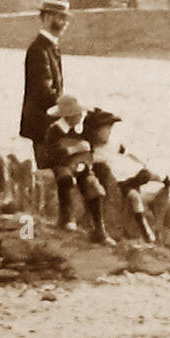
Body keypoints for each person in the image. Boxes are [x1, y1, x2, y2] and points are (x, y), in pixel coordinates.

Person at [82, 107, 170, 240]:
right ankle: (143, 226)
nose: (109, 133)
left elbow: (130, 153)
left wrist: (142, 161)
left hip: (124, 175)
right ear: (95, 131)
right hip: (115, 181)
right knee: (134, 196)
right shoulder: (91, 149)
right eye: (106, 130)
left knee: (142, 179)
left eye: (110, 129)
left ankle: (163, 180)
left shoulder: (113, 144)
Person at [42, 94, 110, 244]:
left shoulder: (82, 129)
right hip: (63, 165)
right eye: (78, 113)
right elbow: (50, 155)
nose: (81, 115)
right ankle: (66, 218)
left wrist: (86, 157)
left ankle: (100, 229)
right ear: (69, 116)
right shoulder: (55, 130)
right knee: (65, 179)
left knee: (94, 188)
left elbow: (91, 149)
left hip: (80, 166)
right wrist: (72, 150)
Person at [20, 0, 69, 165]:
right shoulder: (38, 49)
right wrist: (69, 108)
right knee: (49, 171)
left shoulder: (50, 47)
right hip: (42, 124)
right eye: (61, 18)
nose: (65, 23)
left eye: (66, 19)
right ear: (47, 18)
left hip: (50, 122)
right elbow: (43, 92)